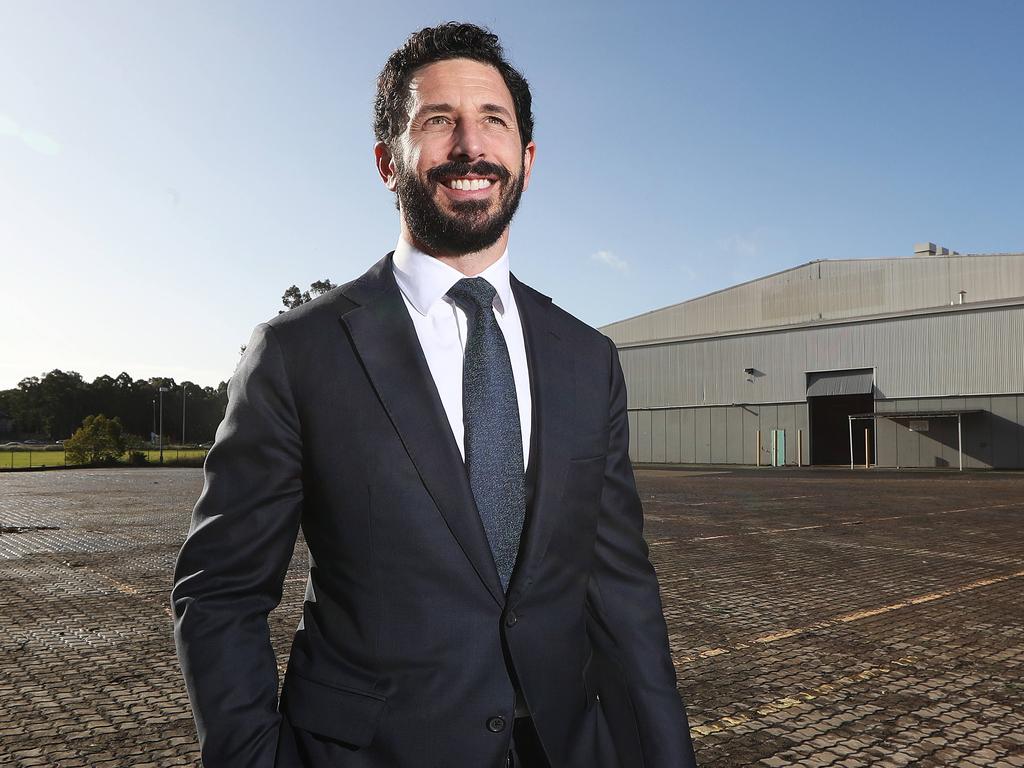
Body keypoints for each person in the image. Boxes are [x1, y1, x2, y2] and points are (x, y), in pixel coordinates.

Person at [172, 22, 697, 768]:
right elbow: (219, 592)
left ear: (527, 157)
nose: (470, 147)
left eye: (493, 121)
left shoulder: (587, 358)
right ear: (389, 162)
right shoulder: (299, 353)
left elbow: (621, 595)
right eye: (438, 121)